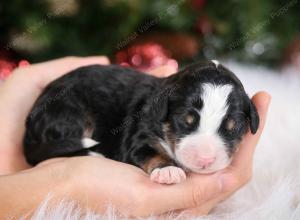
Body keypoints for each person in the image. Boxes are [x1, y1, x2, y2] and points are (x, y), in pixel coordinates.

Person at [0, 56, 271, 218]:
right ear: (164, 108)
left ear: (249, 120)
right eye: (186, 124)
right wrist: (160, 163)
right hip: (67, 109)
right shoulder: (151, 111)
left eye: (229, 130)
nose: (205, 155)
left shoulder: (167, 104)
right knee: (71, 111)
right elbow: (137, 147)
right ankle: (60, 150)